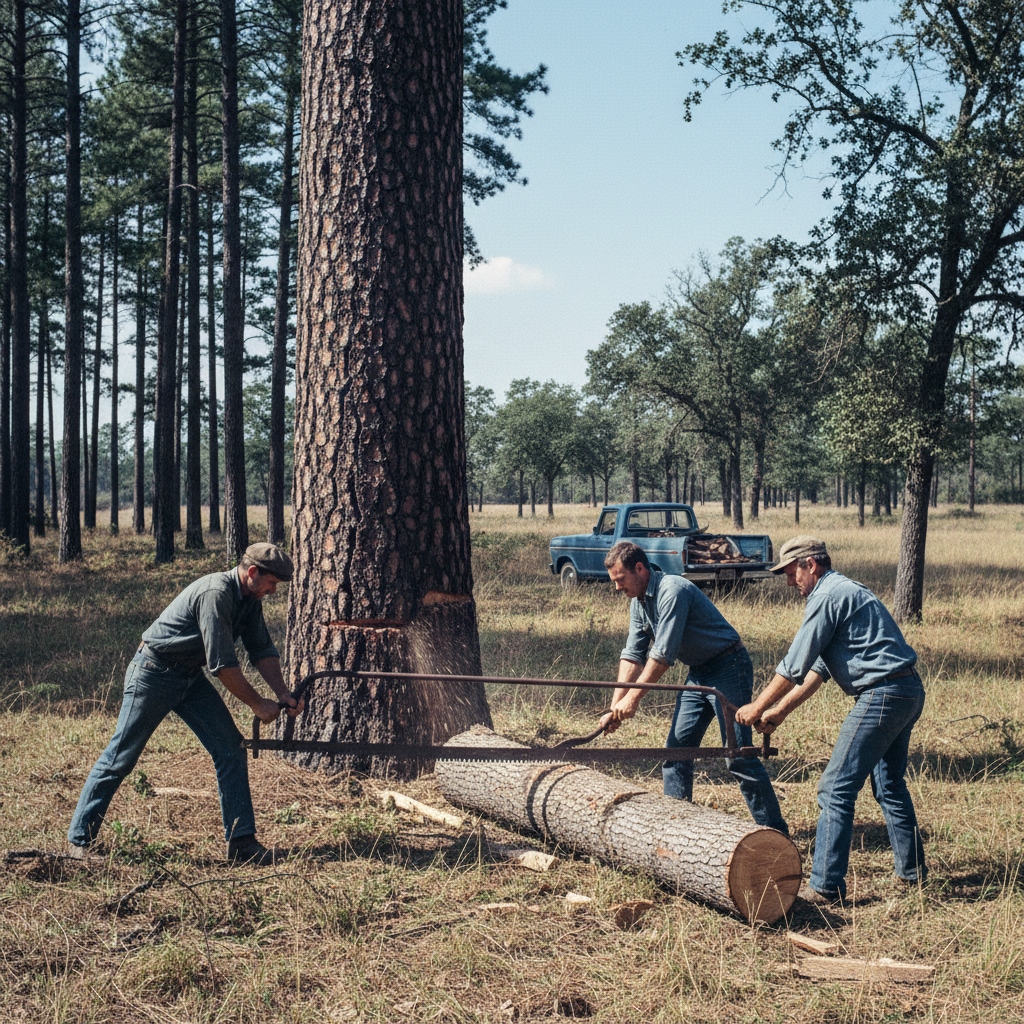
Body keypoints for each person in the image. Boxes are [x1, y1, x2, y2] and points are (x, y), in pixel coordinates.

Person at [68, 543, 305, 867]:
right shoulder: (216, 593)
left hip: (189, 678)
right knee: (120, 758)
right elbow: (221, 665)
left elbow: (261, 649)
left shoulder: (250, 600)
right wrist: (256, 704)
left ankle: (241, 844)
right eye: (271, 583)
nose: (273, 591)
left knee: (230, 747)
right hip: (153, 673)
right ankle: (79, 843)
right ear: (252, 573)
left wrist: (282, 694)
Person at [736, 535, 927, 905]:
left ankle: (825, 886)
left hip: (882, 694)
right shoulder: (845, 591)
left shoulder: (826, 596)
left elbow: (795, 663)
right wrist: (779, 712)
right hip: (906, 691)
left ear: (811, 564)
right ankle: (913, 873)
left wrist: (757, 706)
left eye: (792, 573)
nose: (791, 583)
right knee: (889, 784)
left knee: (834, 788)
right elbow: (819, 670)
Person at [599, 541, 787, 834]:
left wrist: (633, 700)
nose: (617, 588)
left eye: (620, 580)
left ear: (639, 568)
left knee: (737, 757)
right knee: (676, 753)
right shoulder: (639, 601)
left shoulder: (672, 591)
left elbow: (662, 655)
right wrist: (615, 706)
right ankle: (678, 834)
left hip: (728, 666)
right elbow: (632, 655)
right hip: (699, 673)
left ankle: (775, 834)